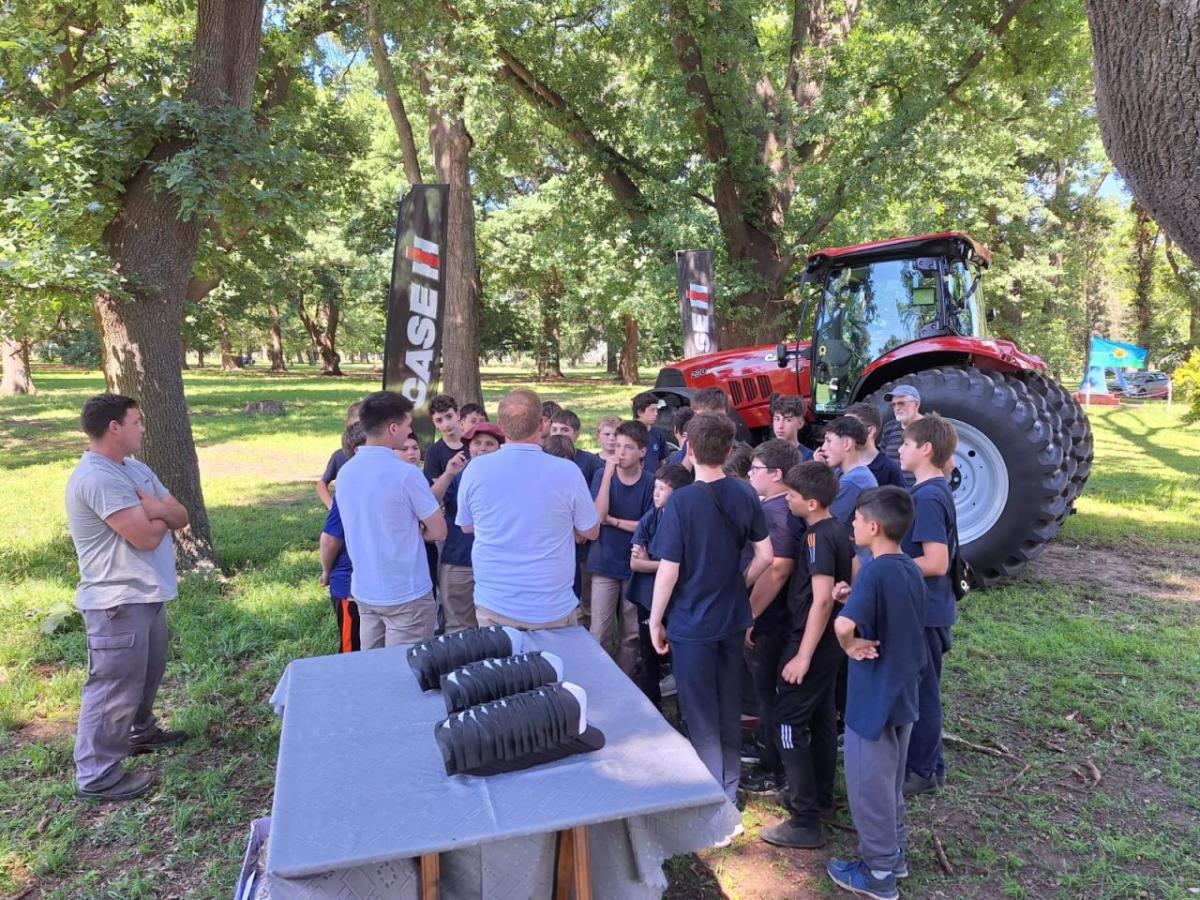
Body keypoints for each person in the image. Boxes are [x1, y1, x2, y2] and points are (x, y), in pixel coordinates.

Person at [65, 394, 191, 802]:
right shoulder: (98, 478)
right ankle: (96, 774)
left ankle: (140, 732)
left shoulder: (134, 468)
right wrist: (159, 514)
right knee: (114, 686)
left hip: (147, 593)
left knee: (147, 673)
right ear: (114, 427)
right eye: (136, 421)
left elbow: (181, 514)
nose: (142, 428)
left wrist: (154, 509)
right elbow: (147, 534)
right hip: (117, 602)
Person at [649, 414, 773, 814]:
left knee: (699, 710)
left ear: (690, 449)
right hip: (732, 615)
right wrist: (739, 582)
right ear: (729, 449)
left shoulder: (682, 501)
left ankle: (712, 798)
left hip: (691, 621)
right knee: (728, 704)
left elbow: (669, 570)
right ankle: (730, 788)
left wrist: (655, 619)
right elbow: (766, 555)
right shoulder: (746, 493)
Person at [827, 487, 927, 900]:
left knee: (868, 785)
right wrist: (855, 599)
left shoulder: (873, 571)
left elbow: (843, 628)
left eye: (856, 519)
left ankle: (879, 873)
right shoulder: (907, 569)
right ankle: (894, 855)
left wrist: (850, 645)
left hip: (873, 699)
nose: (851, 524)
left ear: (873, 526)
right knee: (890, 782)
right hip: (903, 693)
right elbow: (891, 612)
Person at [759, 461, 853, 849]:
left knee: (787, 721)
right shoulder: (837, 528)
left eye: (793, 496)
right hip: (829, 644)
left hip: (811, 641)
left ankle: (804, 819)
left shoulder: (816, 538)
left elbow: (819, 602)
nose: (788, 501)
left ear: (811, 502)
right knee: (821, 718)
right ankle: (821, 798)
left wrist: (802, 656)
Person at [457, 389, 600, 629]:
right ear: (542, 423)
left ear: (500, 425)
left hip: (496, 602)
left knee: (501, 667)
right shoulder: (567, 471)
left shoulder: (475, 469)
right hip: (551, 606)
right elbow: (591, 531)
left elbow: (466, 525)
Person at [335, 392, 447, 648]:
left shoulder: (345, 472)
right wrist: (416, 531)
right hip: (407, 593)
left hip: (365, 589)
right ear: (393, 429)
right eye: (409, 426)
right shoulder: (406, 474)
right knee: (405, 673)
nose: (410, 431)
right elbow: (439, 531)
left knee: (373, 669)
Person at [897, 414, 959, 796]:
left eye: (905, 444)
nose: (899, 450)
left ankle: (921, 771)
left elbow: (937, 562)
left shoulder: (930, 497)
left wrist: (889, 567)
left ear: (926, 449)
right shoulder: (931, 490)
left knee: (922, 692)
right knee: (924, 688)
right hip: (928, 610)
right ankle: (931, 765)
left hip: (926, 611)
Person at [742, 439, 803, 796]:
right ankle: (766, 744)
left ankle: (773, 768)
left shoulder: (778, 514)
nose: (751, 475)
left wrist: (750, 612)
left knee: (768, 692)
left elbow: (778, 568)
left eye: (756, 469)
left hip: (771, 619)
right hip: (774, 616)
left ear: (776, 474)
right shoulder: (776, 506)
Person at [588, 421, 655, 675]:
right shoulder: (602, 475)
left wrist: (614, 521)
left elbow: (645, 526)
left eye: (628, 447)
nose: (621, 453)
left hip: (634, 565)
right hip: (605, 562)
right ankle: (599, 678)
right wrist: (606, 475)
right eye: (617, 447)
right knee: (599, 631)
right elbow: (598, 515)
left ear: (642, 452)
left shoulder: (650, 482)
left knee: (631, 633)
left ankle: (624, 680)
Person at [431, 422, 507, 633]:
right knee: (458, 627)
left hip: (496, 562)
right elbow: (429, 504)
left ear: (500, 448)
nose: (482, 448)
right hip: (459, 559)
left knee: (494, 627)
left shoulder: (507, 476)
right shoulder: (459, 474)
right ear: (468, 447)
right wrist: (448, 475)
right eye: (477, 443)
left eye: (490, 444)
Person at [629, 463, 693, 706]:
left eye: (662, 489)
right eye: (655, 487)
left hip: (677, 599)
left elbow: (686, 565)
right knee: (648, 657)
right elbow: (635, 564)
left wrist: (655, 563)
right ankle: (651, 706)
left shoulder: (687, 521)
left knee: (680, 657)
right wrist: (666, 564)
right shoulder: (651, 517)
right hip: (648, 596)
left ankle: (684, 710)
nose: (656, 493)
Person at [319, 422, 367, 653]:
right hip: (350, 586)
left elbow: (329, 540)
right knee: (352, 652)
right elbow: (330, 539)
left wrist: (326, 572)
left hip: (361, 587)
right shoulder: (350, 488)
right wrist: (328, 572)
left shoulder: (351, 486)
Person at [821, 417, 879, 528]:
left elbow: (826, 524)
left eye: (828, 441)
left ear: (847, 444)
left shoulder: (852, 481)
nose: (823, 447)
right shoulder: (845, 473)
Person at [845, 403, 905, 489]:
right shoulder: (840, 465)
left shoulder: (890, 470)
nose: (842, 432)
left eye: (849, 427)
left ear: (870, 431)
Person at [317, 402, 362, 510]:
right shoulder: (340, 456)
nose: (359, 432)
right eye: (355, 427)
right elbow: (322, 483)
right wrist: (332, 507)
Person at [550, 409, 603, 486]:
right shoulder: (542, 457)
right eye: (554, 429)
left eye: (565, 430)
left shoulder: (590, 461)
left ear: (576, 435)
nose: (558, 434)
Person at [879, 385, 923, 473]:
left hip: (920, 486)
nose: (897, 408)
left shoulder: (931, 428)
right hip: (891, 485)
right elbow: (882, 458)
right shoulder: (889, 427)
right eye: (893, 405)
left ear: (916, 404)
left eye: (901, 403)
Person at [424, 394, 465, 482]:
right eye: (439, 420)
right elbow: (432, 493)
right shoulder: (433, 453)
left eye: (449, 416)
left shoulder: (475, 443)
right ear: (434, 422)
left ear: (458, 414)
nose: (446, 424)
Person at [770, 394, 814, 460]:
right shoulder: (765, 455)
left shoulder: (809, 458)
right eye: (777, 419)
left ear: (800, 423)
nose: (780, 426)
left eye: (788, 420)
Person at [632, 391, 668, 472]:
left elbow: (662, 462)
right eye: (652, 410)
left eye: (656, 410)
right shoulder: (627, 433)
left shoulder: (658, 434)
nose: (656, 413)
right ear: (640, 412)